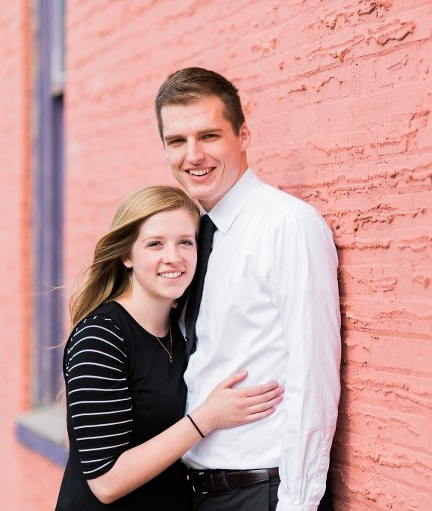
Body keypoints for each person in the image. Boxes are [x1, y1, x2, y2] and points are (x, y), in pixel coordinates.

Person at [155, 68, 341, 511]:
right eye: (177, 141)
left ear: (243, 135)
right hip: (197, 493)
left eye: (209, 136)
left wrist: (297, 504)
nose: (193, 155)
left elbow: (313, 375)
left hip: (262, 493)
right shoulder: (192, 239)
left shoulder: (287, 225)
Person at [55, 186, 284, 510]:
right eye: (155, 244)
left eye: (185, 242)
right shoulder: (101, 338)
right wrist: (208, 417)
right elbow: (105, 481)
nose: (173, 257)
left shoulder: (181, 330)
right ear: (126, 255)